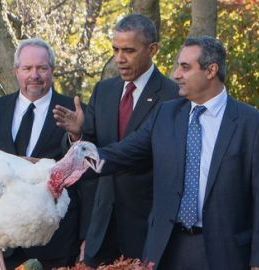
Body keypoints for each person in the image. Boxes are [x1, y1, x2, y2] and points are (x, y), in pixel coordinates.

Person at [56, 36, 259, 269]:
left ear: (211, 70)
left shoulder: (252, 124)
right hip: (166, 249)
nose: (175, 75)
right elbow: (119, 156)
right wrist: (63, 166)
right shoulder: (165, 114)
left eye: (185, 67)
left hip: (225, 253)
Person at [54, 13, 178, 267]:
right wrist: (78, 134)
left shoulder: (173, 96)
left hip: (147, 227)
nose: (119, 59)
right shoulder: (104, 90)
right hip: (102, 226)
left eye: (129, 51)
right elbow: (91, 151)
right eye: (115, 49)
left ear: (152, 49)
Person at [0, 37, 80, 269]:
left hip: (55, 243)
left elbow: (86, 180)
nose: (34, 75)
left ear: (52, 71)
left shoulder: (74, 112)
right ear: (16, 71)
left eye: (41, 68)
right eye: (27, 68)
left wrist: (87, 237)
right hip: (0, 241)